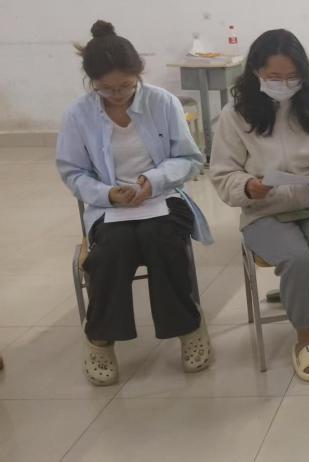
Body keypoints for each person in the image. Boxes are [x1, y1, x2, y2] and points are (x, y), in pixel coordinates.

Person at [56, 20, 214, 386]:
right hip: (109, 209)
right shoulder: (79, 115)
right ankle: (100, 338)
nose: (117, 94)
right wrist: (107, 194)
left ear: (138, 74)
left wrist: (153, 180)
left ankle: (189, 327)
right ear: (92, 82)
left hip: (162, 199)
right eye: (106, 88)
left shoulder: (162, 103)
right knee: (112, 251)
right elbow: (73, 172)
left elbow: (189, 159)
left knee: (163, 241)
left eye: (126, 86)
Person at [210, 29, 309, 382]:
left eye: (292, 77)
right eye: (274, 77)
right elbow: (223, 173)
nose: (284, 84)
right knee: (297, 259)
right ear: (256, 73)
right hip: (264, 212)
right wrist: (250, 187)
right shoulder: (236, 115)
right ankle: (304, 337)